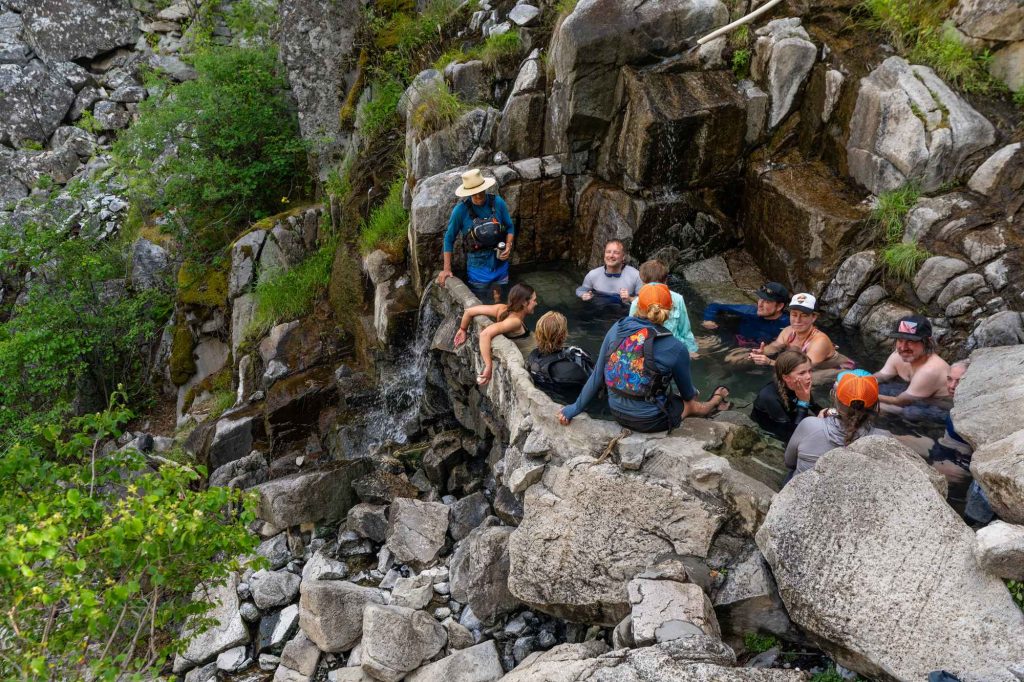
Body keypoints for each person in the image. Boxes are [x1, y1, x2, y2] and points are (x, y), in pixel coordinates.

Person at [559, 283, 729, 433]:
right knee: (690, 403)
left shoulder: (617, 328)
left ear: (637, 305)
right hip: (649, 421)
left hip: (616, 410)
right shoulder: (676, 347)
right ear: (668, 310)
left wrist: (574, 408)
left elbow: (597, 375)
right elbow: (687, 393)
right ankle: (714, 402)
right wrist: (692, 391)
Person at [784, 370, 887, 477]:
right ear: (875, 404)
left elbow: (789, 462)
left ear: (834, 396)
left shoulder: (809, 425)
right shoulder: (882, 438)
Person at [437, 168, 515, 303]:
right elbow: (449, 239)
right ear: (468, 193)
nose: (478, 196)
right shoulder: (460, 211)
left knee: (502, 301)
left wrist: (508, 245)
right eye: (474, 194)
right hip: (478, 269)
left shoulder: (498, 203)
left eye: (480, 192)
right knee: (482, 302)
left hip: (500, 265)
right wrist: (446, 269)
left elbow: (510, 227)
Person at [453, 283, 537, 386]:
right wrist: (488, 365)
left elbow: (469, 311)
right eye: (534, 300)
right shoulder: (515, 322)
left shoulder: (502, 308)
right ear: (524, 302)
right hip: (531, 360)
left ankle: (496, 298)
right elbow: (485, 334)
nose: (536, 303)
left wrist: (463, 329)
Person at [749, 293, 849, 374]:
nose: (797, 320)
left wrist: (769, 362)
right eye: (794, 314)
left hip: (841, 370)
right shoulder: (788, 331)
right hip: (805, 366)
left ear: (813, 317)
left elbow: (802, 367)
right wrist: (763, 352)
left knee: (798, 379)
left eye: (804, 316)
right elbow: (775, 346)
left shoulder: (820, 341)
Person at [873, 315, 950, 413]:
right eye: (900, 340)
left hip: (938, 407)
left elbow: (900, 402)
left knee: (909, 412)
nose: (903, 347)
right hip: (915, 395)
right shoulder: (898, 355)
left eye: (911, 341)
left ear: (928, 342)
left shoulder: (931, 370)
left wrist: (864, 395)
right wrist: (861, 382)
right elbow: (881, 376)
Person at [927, 359, 975, 504]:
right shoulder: (959, 403)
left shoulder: (973, 413)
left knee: (930, 479)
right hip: (946, 447)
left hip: (960, 460)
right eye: (949, 380)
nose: (952, 386)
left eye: (959, 382)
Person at [628, 259, 698, 357]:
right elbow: (685, 331)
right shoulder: (636, 303)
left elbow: (685, 331)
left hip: (669, 350)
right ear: (665, 281)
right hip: (656, 351)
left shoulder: (677, 299)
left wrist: (691, 349)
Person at [751, 350, 822, 443]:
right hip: (775, 425)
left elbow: (813, 407)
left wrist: (827, 413)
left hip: (790, 417)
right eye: (802, 373)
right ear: (786, 377)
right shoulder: (769, 396)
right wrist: (803, 402)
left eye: (810, 371)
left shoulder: (799, 385)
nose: (809, 376)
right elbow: (793, 435)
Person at [526, 311, 596, 404]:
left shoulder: (533, 358)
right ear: (563, 335)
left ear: (538, 334)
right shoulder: (575, 366)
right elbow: (595, 384)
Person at [701, 281, 791, 351]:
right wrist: (708, 320)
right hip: (733, 341)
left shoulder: (787, 324)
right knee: (696, 347)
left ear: (779, 306)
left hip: (757, 352)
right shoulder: (750, 312)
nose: (760, 304)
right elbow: (714, 306)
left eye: (767, 302)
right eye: (760, 299)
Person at [575, 239, 642, 306]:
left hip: (623, 312)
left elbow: (643, 300)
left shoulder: (636, 276)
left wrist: (630, 299)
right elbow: (581, 290)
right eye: (608, 252)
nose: (611, 255)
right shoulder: (593, 275)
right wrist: (583, 295)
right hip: (598, 310)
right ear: (604, 255)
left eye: (616, 253)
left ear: (623, 257)